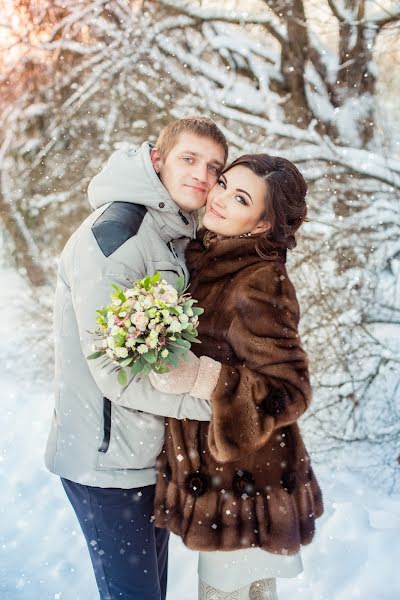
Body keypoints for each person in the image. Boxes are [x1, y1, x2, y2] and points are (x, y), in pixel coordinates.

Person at [44, 116, 228, 600]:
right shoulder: (118, 239)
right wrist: (225, 407)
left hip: (143, 456)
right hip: (106, 464)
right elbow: (119, 373)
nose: (202, 176)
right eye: (189, 159)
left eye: (214, 167)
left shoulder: (168, 233)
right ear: (157, 160)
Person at [150, 154, 324, 600]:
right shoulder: (206, 255)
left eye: (241, 197)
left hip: (246, 484)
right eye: (224, 183)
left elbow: (291, 390)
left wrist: (204, 377)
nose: (221, 197)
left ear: (263, 225)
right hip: (222, 480)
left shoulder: (260, 281)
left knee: (225, 593)